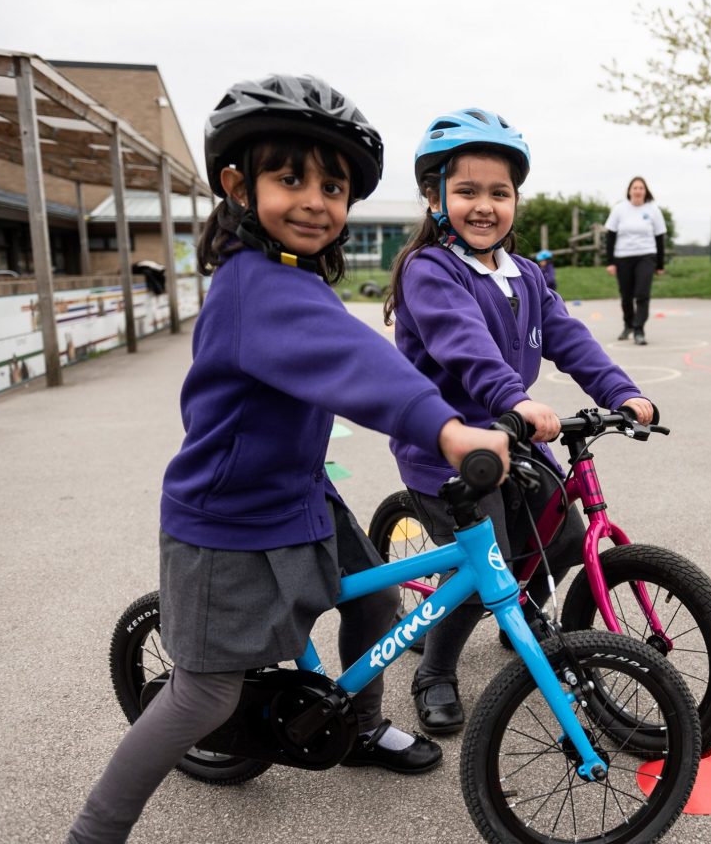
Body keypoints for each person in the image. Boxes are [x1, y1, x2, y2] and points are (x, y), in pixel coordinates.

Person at [67, 76, 509, 844]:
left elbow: (351, 358)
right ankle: (94, 829)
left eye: (332, 185)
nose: (314, 199)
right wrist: (445, 428)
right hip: (228, 517)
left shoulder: (295, 277)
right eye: (290, 177)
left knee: (373, 603)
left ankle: (361, 729)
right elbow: (357, 360)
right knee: (203, 695)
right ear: (238, 185)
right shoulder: (254, 286)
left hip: (300, 494)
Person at [383, 108, 654, 736]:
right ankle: (435, 671)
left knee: (562, 538)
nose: (485, 206)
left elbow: (571, 338)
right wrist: (515, 397)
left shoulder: (525, 274)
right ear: (435, 196)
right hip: (450, 445)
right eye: (467, 191)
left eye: (499, 193)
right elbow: (464, 344)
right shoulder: (432, 270)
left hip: (516, 437)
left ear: (516, 201)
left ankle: (523, 616)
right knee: (487, 569)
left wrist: (621, 389)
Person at [604, 176, 666, 345]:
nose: (638, 191)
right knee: (626, 295)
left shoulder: (653, 210)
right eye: (635, 188)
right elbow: (610, 236)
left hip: (646, 255)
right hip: (623, 256)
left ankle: (639, 329)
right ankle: (628, 324)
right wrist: (610, 262)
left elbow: (660, 238)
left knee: (642, 294)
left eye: (641, 188)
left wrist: (660, 264)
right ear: (630, 191)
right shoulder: (619, 209)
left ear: (645, 191)